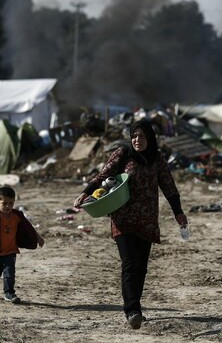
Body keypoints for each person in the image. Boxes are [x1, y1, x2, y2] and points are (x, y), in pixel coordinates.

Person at [73, 118, 188, 329]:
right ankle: (132, 310)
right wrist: (86, 192)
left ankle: (135, 307)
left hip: (146, 221)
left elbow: (169, 187)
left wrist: (178, 213)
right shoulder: (123, 154)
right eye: (134, 136)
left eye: (142, 136)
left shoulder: (157, 159)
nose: (137, 140)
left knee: (141, 267)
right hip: (123, 218)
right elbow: (104, 174)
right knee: (129, 263)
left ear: (150, 138)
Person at [0, 186, 44, 304]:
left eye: (11, 203)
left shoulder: (18, 215)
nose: (8, 206)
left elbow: (28, 227)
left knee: (9, 273)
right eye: (4, 203)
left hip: (11, 250)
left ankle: (9, 293)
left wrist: (38, 238)